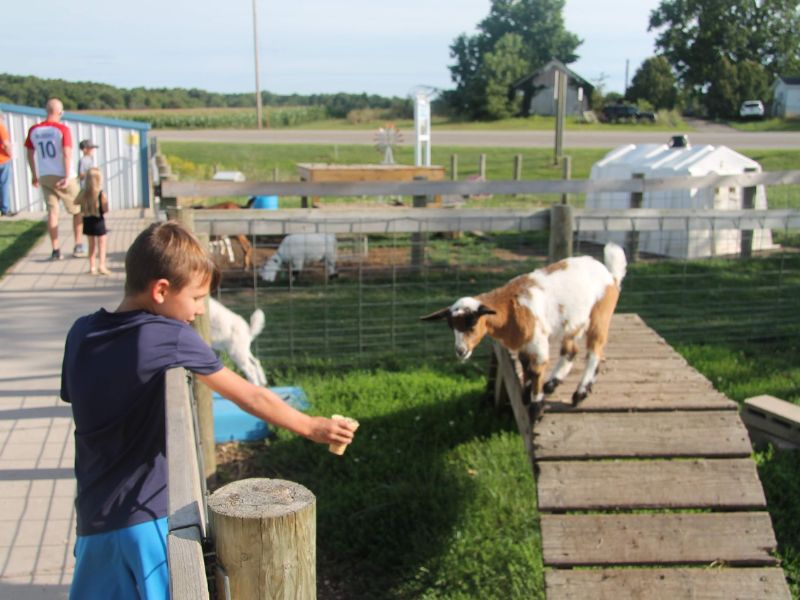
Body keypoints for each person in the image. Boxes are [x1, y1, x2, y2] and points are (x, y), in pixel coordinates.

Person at [60, 221, 357, 599]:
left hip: (92, 519)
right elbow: (250, 396)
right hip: (147, 519)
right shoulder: (169, 335)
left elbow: (80, 398)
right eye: (198, 297)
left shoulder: (81, 332)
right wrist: (312, 427)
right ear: (161, 290)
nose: (200, 310)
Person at [24, 98, 85, 260]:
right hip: (64, 175)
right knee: (77, 210)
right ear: (60, 112)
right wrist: (66, 176)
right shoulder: (62, 130)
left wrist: (34, 175)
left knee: (52, 212)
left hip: (45, 175)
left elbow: (30, 153)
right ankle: (78, 244)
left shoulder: (34, 130)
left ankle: (55, 249)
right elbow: (66, 153)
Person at [78, 167, 109, 275]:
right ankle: (102, 265)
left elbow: (76, 202)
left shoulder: (84, 194)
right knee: (102, 244)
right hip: (98, 221)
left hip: (87, 220)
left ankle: (92, 267)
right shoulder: (101, 194)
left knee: (91, 245)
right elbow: (105, 209)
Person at [0, 111, 14, 217]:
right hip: (3, 159)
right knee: (4, 184)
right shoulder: (1, 128)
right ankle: (5, 209)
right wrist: (11, 154)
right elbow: (6, 144)